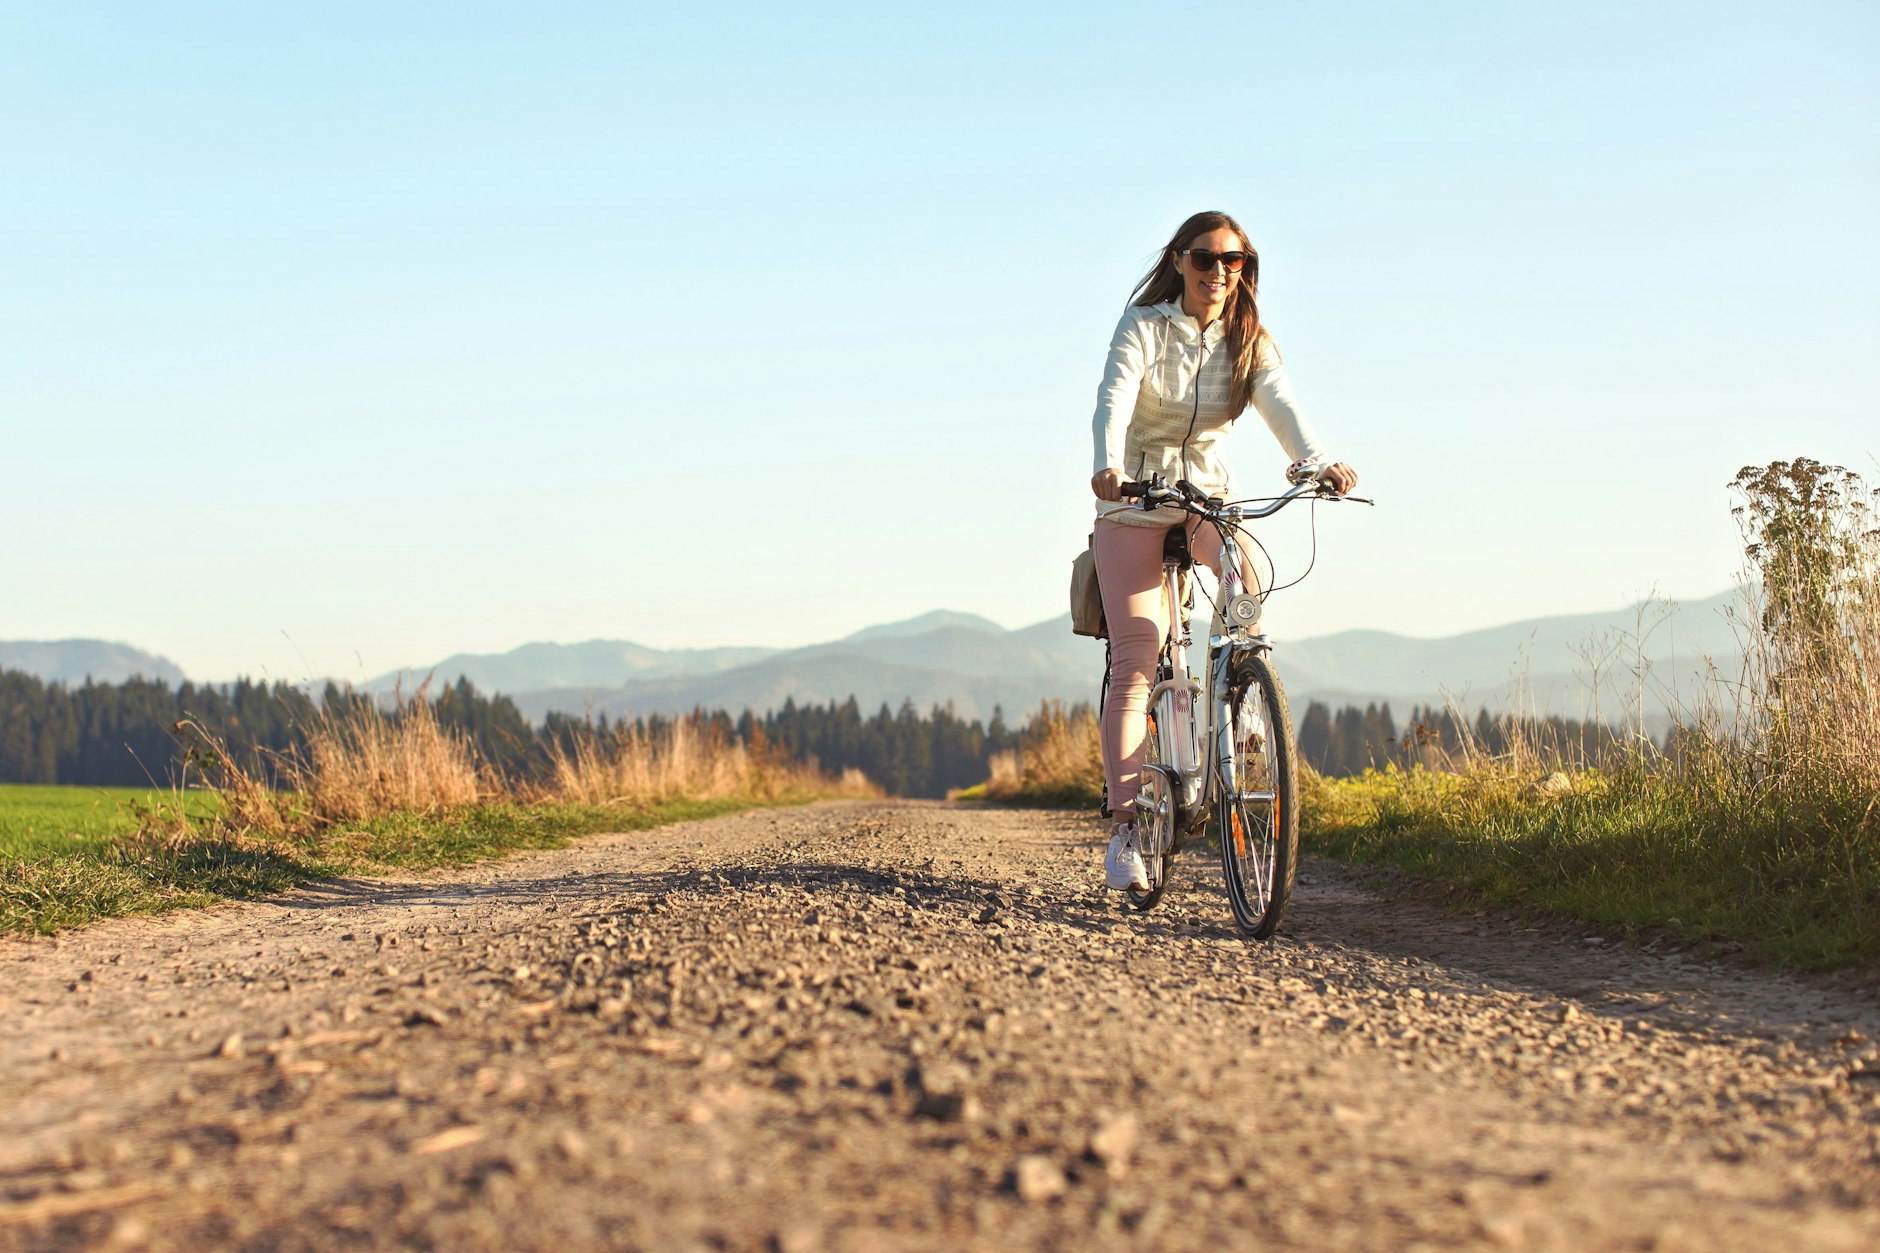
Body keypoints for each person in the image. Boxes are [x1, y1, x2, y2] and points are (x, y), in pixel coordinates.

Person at [1089, 210, 1358, 892]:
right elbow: (1113, 397)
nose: (1218, 272)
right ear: (1180, 261)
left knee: (1247, 575)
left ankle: (1239, 693)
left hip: (1207, 494)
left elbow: (1282, 405)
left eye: (1232, 261)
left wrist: (1316, 462)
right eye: (1205, 259)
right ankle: (1127, 829)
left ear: (1245, 268)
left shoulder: (1247, 340)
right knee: (1136, 657)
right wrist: (1107, 465)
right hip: (1135, 497)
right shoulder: (1144, 327)